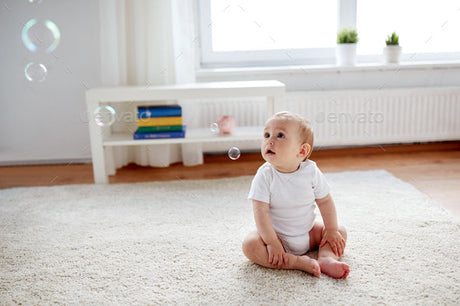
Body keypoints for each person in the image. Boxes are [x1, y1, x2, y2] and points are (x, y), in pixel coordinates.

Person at [242, 111, 350, 279]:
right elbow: (260, 212)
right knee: (250, 245)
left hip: (308, 233)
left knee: (339, 230)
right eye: (266, 134)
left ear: (301, 151)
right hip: (276, 236)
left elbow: (325, 201)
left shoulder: (311, 171)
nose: (269, 140)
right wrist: (272, 242)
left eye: (280, 135)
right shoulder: (264, 175)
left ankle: (326, 259)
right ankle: (294, 262)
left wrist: (330, 229)